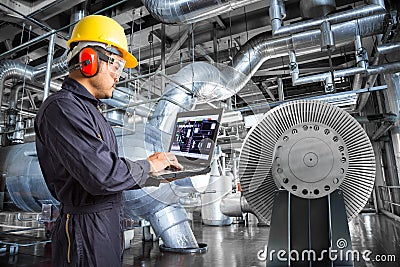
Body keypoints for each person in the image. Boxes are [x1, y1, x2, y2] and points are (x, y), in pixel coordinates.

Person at [34, 15, 182, 267]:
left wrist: (152, 176)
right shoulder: (63, 109)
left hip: (104, 225)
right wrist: (148, 165)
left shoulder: (89, 110)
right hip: (85, 232)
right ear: (89, 60)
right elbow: (102, 175)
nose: (118, 76)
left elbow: (107, 171)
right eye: (116, 65)